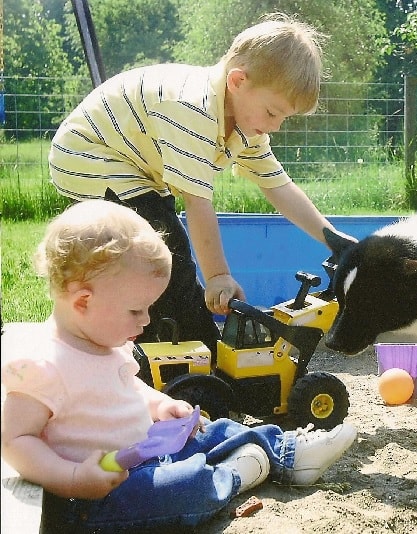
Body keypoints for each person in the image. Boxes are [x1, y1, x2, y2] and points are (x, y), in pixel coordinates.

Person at [0, 200, 358, 533]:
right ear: (83, 302)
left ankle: (290, 454)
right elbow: (16, 440)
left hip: (146, 451)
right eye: (135, 310)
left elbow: (126, 386)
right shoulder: (42, 365)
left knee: (214, 430)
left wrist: (159, 405)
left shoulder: (106, 344)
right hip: (99, 493)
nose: (146, 321)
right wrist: (74, 476)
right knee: (183, 488)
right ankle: (236, 473)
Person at [47, 13, 356, 353]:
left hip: (138, 166)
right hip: (92, 155)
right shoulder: (192, 108)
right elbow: (198, 203)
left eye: (283, 117)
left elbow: (276, 184)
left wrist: (333, 240)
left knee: (159, 254)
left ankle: (167, 347)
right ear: (238, 81)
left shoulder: (243, 119)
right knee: (158, 259)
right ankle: (183, 358)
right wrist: (219, 277)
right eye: (272, 113)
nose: (276, 127)